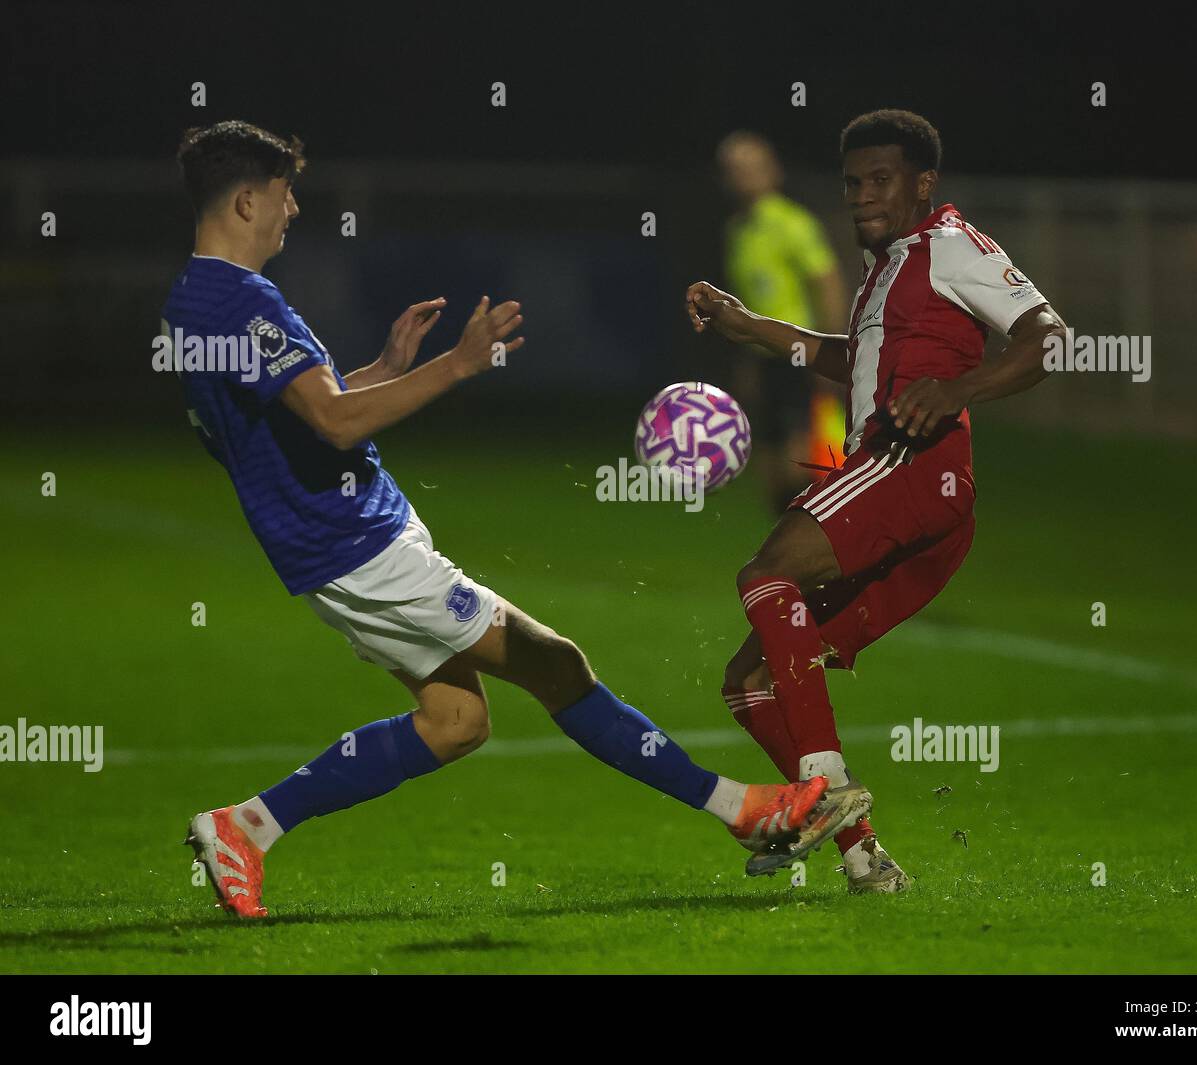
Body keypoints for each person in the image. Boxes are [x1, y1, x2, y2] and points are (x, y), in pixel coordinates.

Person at [165, 120, 864, 918]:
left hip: (332, 550)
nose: (293, 209)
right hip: (358, 546)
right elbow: (331, 424)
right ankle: (748, 810)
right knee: (555, 662)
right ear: (248, 199)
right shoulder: (243, 300)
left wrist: (384, 372)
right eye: (286, 194)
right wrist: (456, 364)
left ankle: (243, 828)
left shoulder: (193, 301)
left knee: (455, 721)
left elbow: (270, 425)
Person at [686, 109, 1067, 892]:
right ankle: (866, 861)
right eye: (854, 182)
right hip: (918, 500)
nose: (862, 196)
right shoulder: (890, 268)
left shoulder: (951, 246)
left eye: (882, 180)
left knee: (765, 575)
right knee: (749, 681)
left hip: (915, 468)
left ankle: (822, 784)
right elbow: (852, 359)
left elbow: (1048, 336)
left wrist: (960, 387)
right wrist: (754, 327)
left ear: (924, 184)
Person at [716, 132, 849, 511]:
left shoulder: (792, 223)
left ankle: (819, 546)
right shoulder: (738, 229)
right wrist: (746, 360)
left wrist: (830, 350)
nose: (743, 176)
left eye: (751, 167)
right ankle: (784, 559)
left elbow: (827, 282)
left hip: (798, 352)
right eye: (734, 169)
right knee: (770, 465)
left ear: (772, 171)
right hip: (764, 357)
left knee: (801, 461)